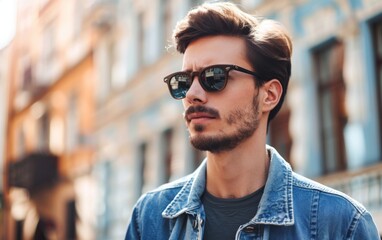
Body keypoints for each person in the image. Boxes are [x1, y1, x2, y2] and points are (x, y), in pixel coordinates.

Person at [125, 2, 380, 239]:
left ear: (268, 95)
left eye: (214, 77)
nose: (192, 94)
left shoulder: (341, 224)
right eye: (183, 81)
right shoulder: (149, 218)